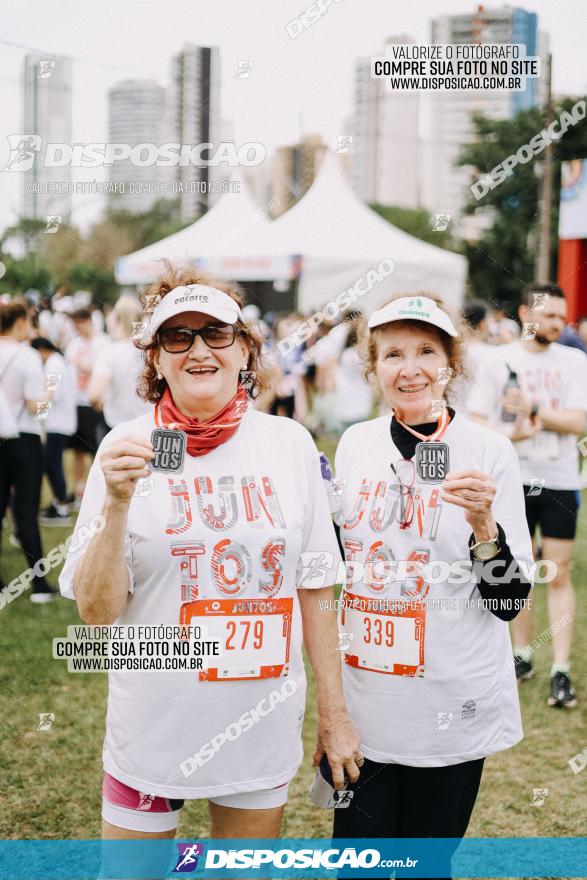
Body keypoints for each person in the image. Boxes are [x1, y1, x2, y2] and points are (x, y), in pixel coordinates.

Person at [59, 267, 360, 842]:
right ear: (155, 359)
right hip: (152, 726)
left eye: (215, 333)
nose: (198, 350)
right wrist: (117, 506)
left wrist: (335, 712)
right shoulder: (121, 447)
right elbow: (96, 613)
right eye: (178, 336)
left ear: (245, 348)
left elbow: (317, 588)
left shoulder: (289, 444)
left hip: (258, 725)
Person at [330, 294, 533, 879]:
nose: (409, 367)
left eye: (426, 351)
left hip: (452, 703)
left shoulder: (488, 451)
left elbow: (509, 602)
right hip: (367, 707)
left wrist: (483, 527)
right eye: (392, 353)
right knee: (357, 867)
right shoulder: (354, 445)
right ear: (372, 369)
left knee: (426, 868)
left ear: (451, 365)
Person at [467, 282, 587, 708]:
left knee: (558, 571)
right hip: (510, 479)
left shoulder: (573, 361)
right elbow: (477, 422)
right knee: (519, 569)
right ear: (525, 313)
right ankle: (521, 654)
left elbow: (577, 422)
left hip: (559, 480)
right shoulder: (497, 361)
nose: (558, 323)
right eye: (549, 315)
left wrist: (533, 410)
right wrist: (514, 432)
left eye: (562, 317)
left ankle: (561, 668)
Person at [0, 301, 57, 601]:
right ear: (21, 322)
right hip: (23, 439)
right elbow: (37, 407)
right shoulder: (27, 356)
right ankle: (39, 583)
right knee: (26, 509)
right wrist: (50, 392)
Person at [65, 307, 110, 505]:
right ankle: (78, 488)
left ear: (88, 321)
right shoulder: (73, 344)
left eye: (79, 322)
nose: (77, 327)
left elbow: (105, 372)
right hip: (77, 401)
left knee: (96, 448)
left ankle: (96, 491)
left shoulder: (103, 343)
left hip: (96, 402)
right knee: (78, 449)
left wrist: (84, 366)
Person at [88, 294, 152, 431]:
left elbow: (94, 395)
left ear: (116, 319)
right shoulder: (150, 352)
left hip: (117, 426)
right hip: (148, 425)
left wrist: (102, 405)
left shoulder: (109, 353)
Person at [31, 338, 77, 527]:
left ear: (41, 350)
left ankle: (61, 507)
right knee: (53, 463)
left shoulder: (54, 365)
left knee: (51, 464)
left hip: (57, 424)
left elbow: (50, 396)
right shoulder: (56, 362)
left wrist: (36, 419)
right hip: (59, 423)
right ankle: (60, 503)